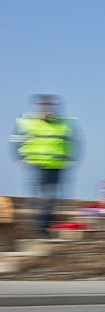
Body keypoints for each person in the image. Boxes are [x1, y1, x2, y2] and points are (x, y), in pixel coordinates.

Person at [10, 94, 79, 236]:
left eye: (51, 105)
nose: (48, 108)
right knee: (38, 199)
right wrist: (20, 158)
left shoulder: (64, 123)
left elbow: (74, 143)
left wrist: (70, 160)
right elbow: (15, 140)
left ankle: (44, 227)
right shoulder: (28, 122)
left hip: (57, 166)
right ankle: (36, 228)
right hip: (36, 165)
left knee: (50, 199)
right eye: (45, 105)